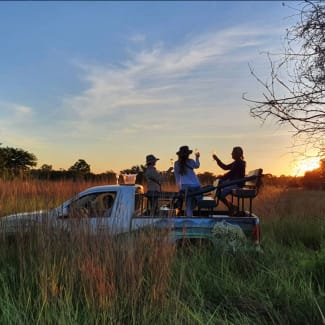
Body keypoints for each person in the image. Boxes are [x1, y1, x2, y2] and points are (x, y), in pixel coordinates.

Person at [212, 146, 246, 214]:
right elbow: (225, 167)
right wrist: (217, 159)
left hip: (237, 184)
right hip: (233, 183)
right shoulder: (236, 162)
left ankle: (231, 207)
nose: (231, 154)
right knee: (218, 190)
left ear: (237, 154)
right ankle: (232, 206)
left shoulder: (240, 163)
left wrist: (221, 179)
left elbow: (231, 173)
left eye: (232, 152)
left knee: (220, 194)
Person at [174, 146, 201, 217]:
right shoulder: (191, 161)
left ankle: (186, 214)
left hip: (184, 187)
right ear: (188, 154)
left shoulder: (176, 163)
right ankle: (190, 213)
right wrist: (197, 157)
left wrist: (180, 188)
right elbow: (197, 166)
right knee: (191, 201)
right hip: (195, 186)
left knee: (187, 201)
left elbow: (177, 177)